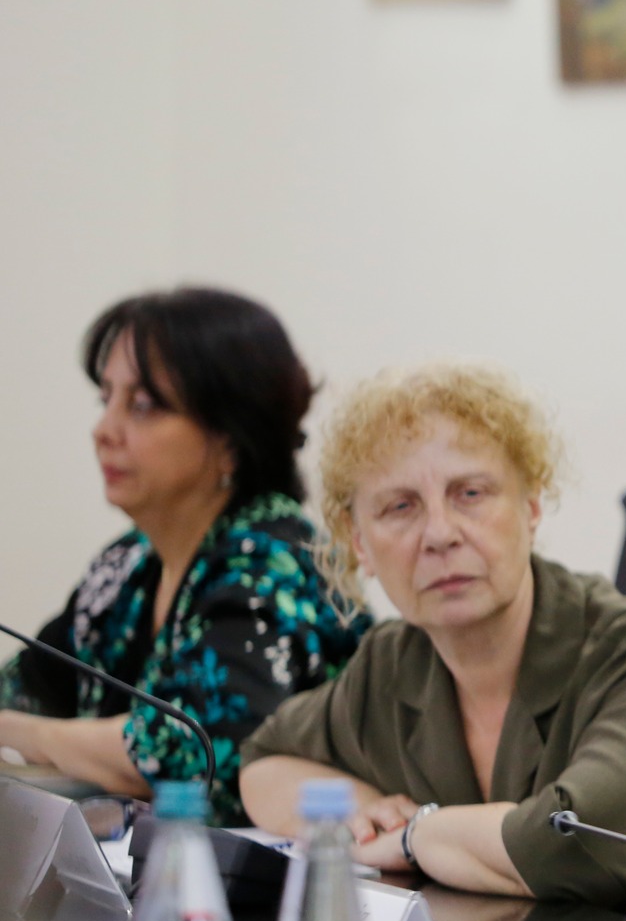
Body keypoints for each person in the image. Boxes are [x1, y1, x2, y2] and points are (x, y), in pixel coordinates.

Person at [239, 363, 626, 908]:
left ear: (531, 507)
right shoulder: (394, 661)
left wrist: (415, 835)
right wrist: (358, 813)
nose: (439, 534)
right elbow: (265, 763)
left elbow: (569, 840)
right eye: (400, 506)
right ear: (359, 543)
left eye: (471, 493)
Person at [0, 288, 368, 825]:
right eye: (107, 400)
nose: (104, 431)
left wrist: (26, 734)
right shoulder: (126, 566)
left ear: (229, 436)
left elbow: (195, 754)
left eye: (143, 406)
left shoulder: (272, 561)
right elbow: (23, 689)